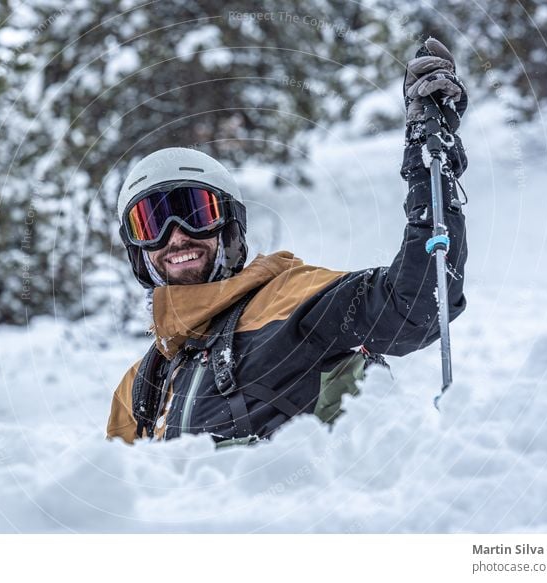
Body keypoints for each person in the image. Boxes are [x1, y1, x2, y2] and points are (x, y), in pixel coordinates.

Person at [107, 38, 469, 446]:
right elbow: (119, 494)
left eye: (195, 213)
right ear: (138, 250)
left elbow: (415, 305)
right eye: (150, 222)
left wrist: (428, 166)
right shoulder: (138, 386)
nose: (175, 235)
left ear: (228, 227)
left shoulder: (290, 298)